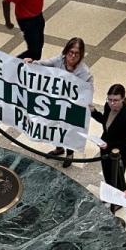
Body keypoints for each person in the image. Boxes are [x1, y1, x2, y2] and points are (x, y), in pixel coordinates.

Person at [28, 37, 93, 167]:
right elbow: (43, 64)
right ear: (66, 51)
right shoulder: (59, 60)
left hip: (72, 106)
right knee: (55, 126)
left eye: (77, 53)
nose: (73, 56)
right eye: (71, 52)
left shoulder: (84, 72)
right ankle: (59, 148)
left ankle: (70, 153)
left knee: (69, 129)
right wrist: (32, 62)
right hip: (56, 102)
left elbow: (88, 90)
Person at [91, 84, 126, 199]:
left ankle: (119, 199)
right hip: (105, 147)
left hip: (119, 151)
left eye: (116, 100)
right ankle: (110, 194)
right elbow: (105, 122)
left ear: (123, 98)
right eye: (110, 99)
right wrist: (93, 112)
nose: (112, 103)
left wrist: (109, 145)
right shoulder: (108, 106)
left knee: (117, 176)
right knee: (107, 172)